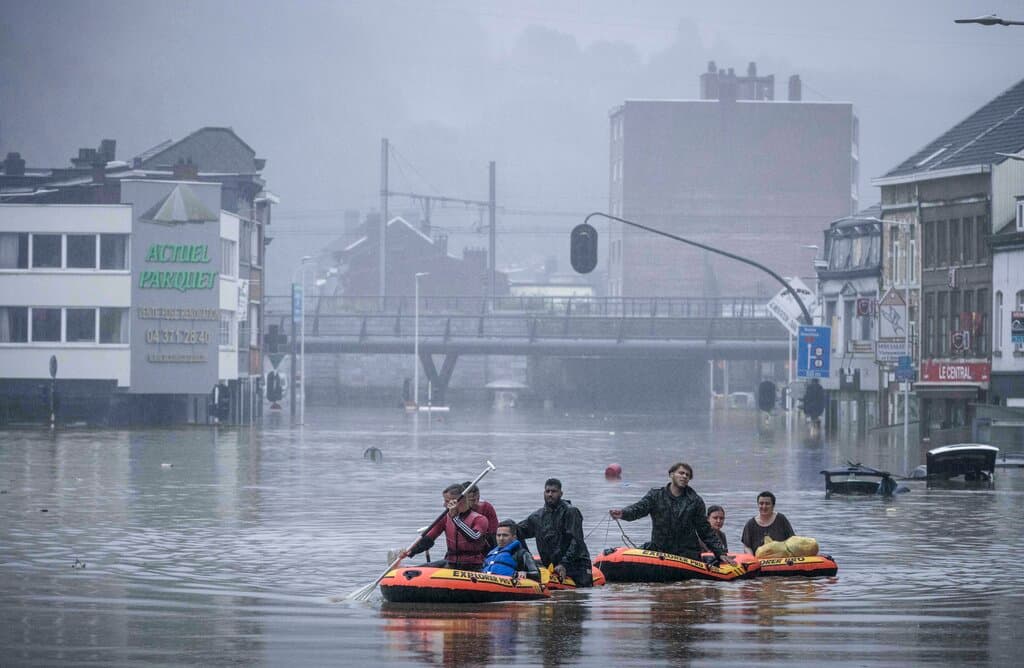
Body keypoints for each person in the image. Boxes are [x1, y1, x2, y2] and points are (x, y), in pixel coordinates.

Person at [610, 462, 734, 565]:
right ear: (671, 474)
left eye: (687, 475)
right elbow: (638, 509)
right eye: (681, 473)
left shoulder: (695, 501)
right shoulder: (656, 495)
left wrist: (720, 553)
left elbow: (705, 530)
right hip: (660, 550)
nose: (684, 476)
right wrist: (622, 514)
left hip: (686, 553)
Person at [517, 478, 594, 587]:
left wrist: (564, 564)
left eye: (554, 491)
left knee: (582, 593)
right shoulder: (537, 517)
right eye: (547, 491)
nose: (550, 494)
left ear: (561, 493)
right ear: (544, 493)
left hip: (577, 565)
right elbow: (515, 532)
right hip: (552, 566)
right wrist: (527, 560)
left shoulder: (571, 512)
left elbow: (577, 541)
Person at [401, 483, 490, 570]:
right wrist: (410, 551)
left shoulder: (480, 519)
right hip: (451, 562)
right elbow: (429, 538)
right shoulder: (445, 518)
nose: (444, 505)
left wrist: (455, 519)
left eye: (447, 501)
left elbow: (474, 537)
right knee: (415, 570)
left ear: (459, 501)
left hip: (472, 566)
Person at [740, 491, 795, 555]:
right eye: (761, 503)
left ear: (773, 505)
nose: (764, 506)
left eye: (767, 504)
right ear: (758, 505)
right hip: (758, 561)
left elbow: (792, 540)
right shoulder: (750, 524)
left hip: (782, 560)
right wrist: (752, 559)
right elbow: (747, 546)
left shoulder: (781, 519)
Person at [463, 481, 499, 546]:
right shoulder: (455, 512)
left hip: (485, 541)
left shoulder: (487, 507)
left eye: (478, 498)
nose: (476, 502)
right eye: (472, 500)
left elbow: (493, 531)